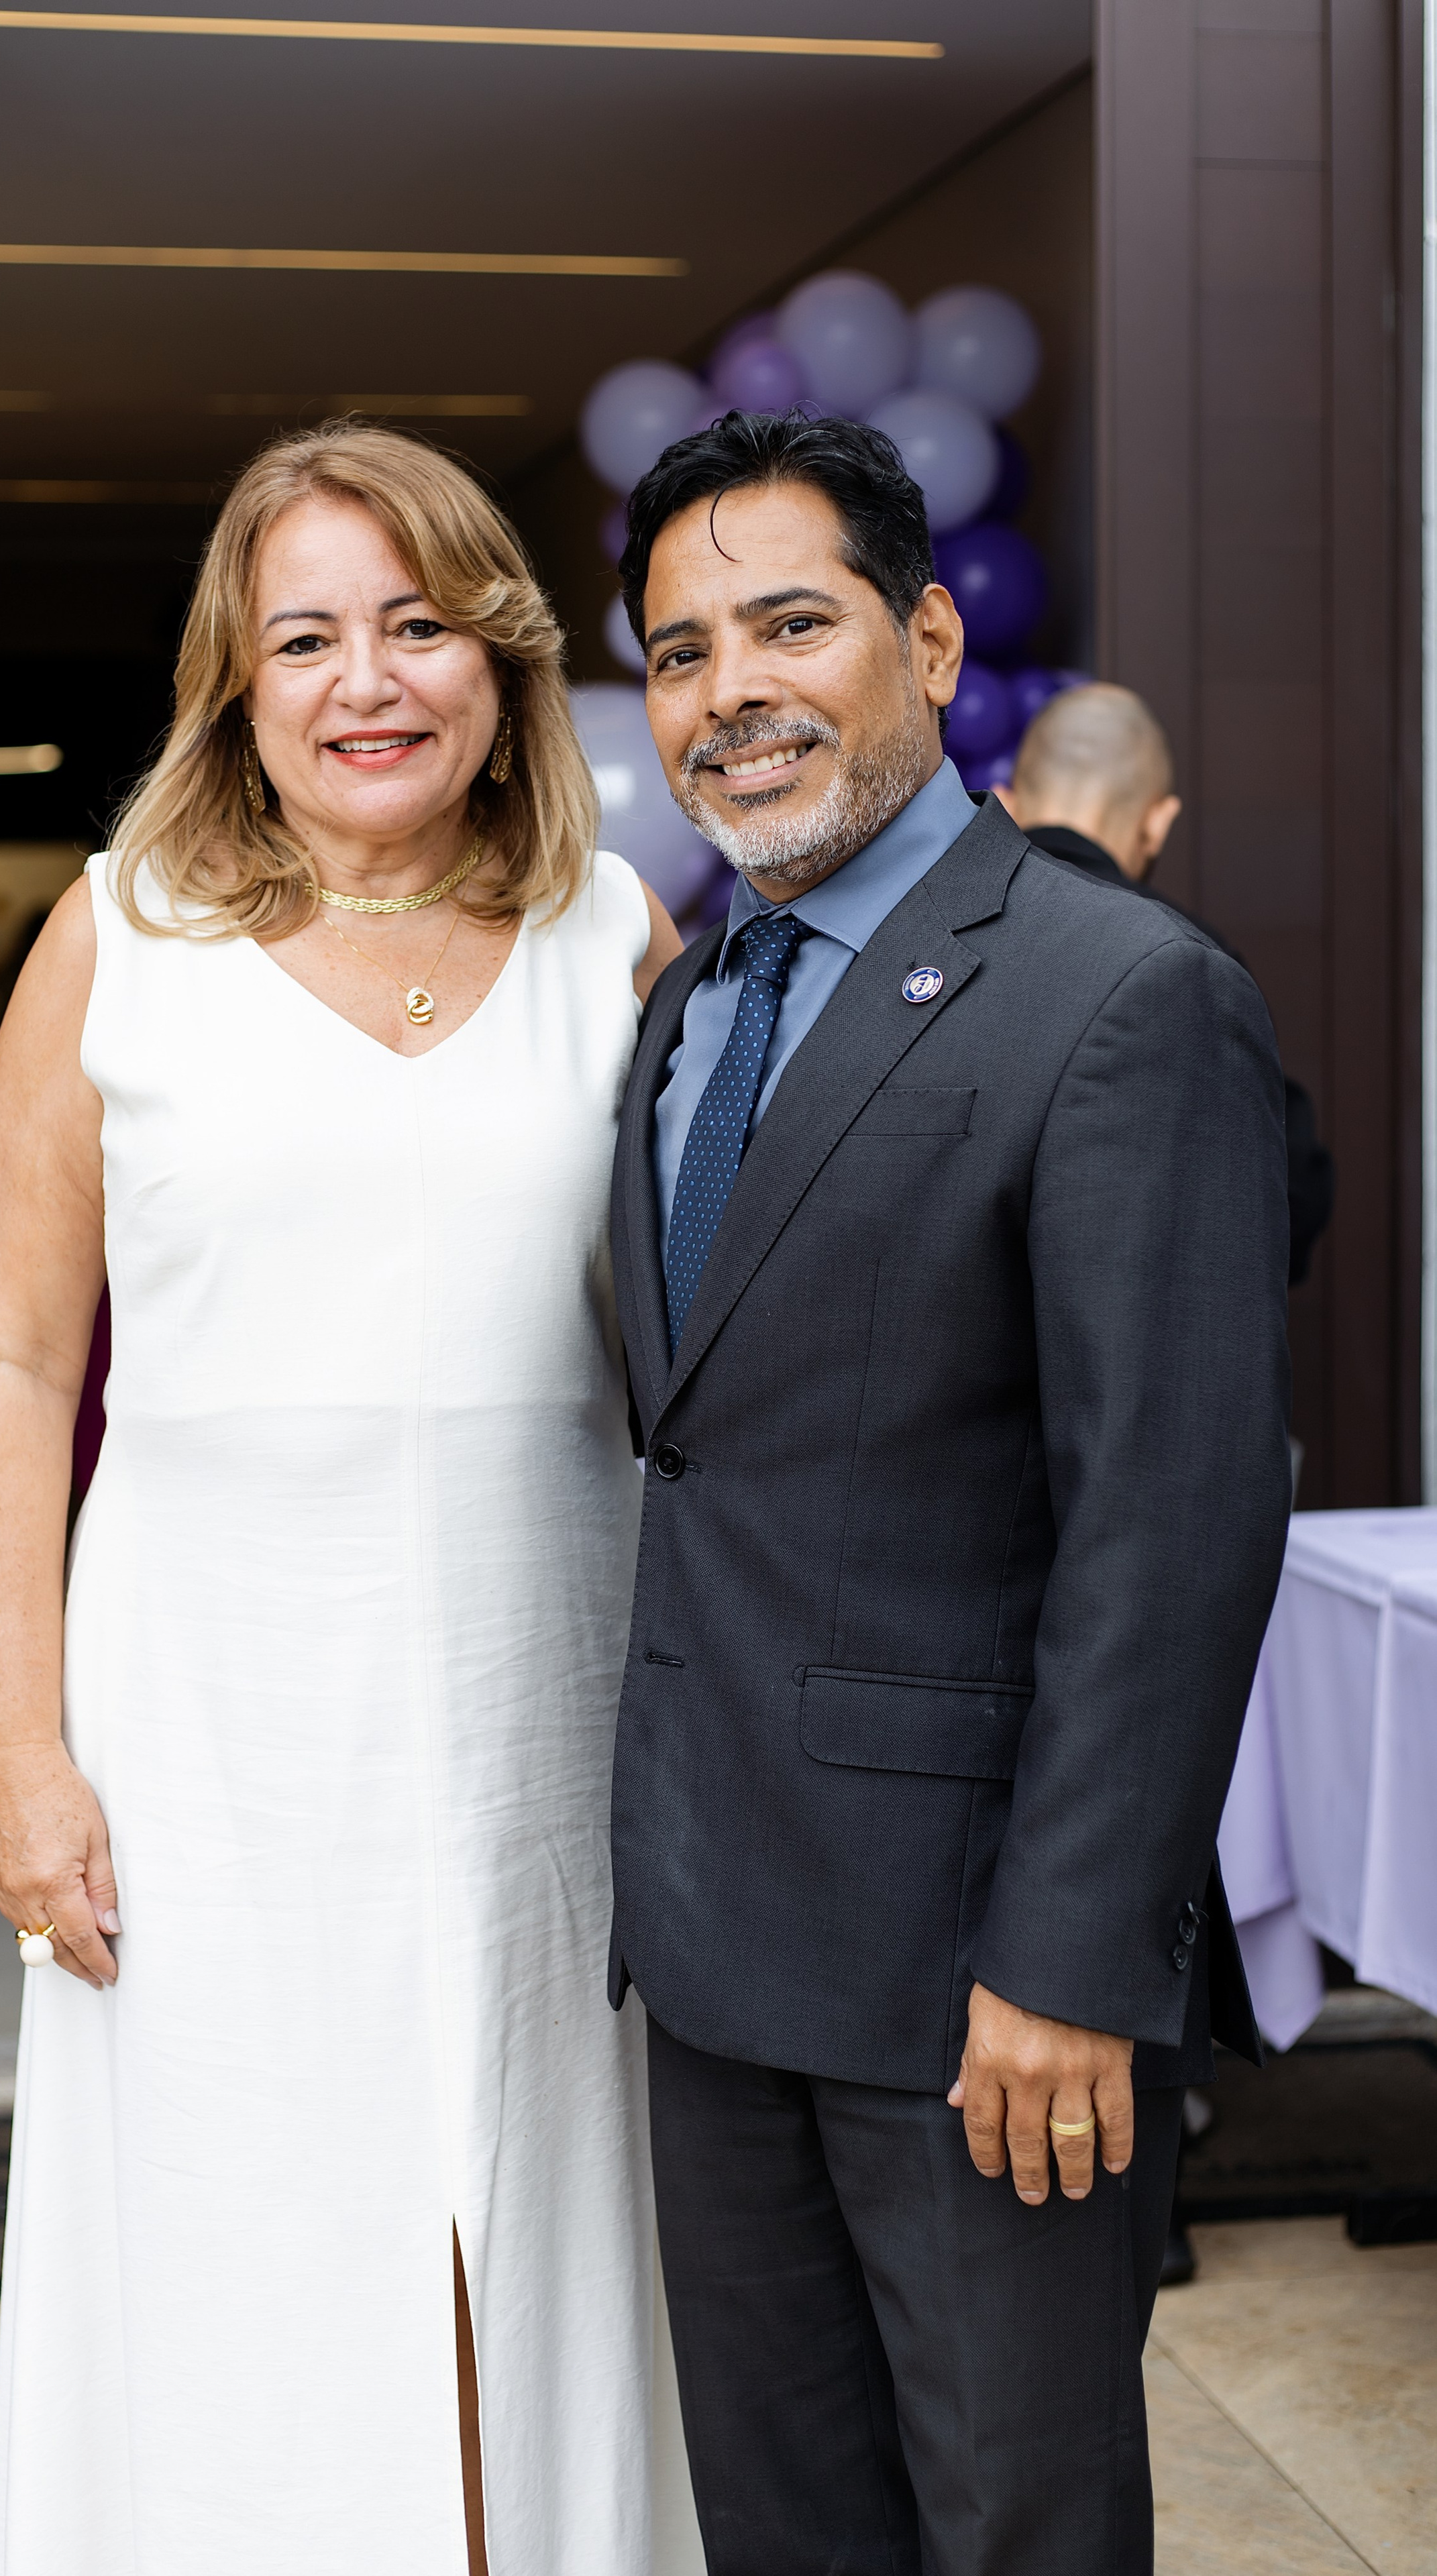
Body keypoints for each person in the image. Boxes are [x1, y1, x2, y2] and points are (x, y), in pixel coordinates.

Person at [0, 421, 684, 2576]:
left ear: (502, 663)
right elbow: (4, 1357)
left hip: (550, 1731)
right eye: (307, 636)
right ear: (234, 685)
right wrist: (18, 1750)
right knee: (236, 2248)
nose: (369, 677)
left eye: (419, 623)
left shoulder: (608, 936)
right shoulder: (118, 939)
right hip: (208, 1742)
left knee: (536, 2242)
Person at [604, 410, 1291, 2575]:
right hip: (715, 1964)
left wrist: (1076, 1961)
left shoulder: (1122, 1001)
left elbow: (1173, 1523)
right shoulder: (691, 1005)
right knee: (790, 2534)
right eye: (684, 652)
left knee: (1019, 2534)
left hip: (981, 1997)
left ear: (925, 631)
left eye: (790, 624)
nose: (734, 694)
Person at [998, 680, 1334, 1285]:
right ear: (1159, 821)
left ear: (1006, 801)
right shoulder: (1188, 957)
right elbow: (1288, 1197)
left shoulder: (928, 940)